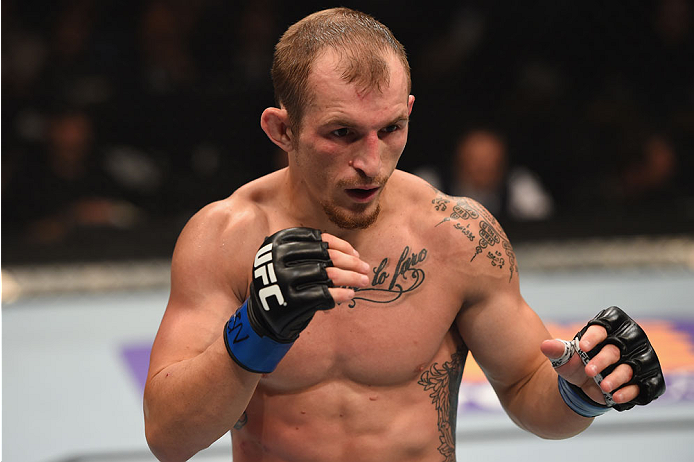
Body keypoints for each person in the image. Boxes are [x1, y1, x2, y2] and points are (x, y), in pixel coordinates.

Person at [144, 8, 665, 462]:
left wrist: (583, 392)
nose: (371, 163)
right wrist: (255, 330)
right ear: (282, 130)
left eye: (390, 129)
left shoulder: (457, 235)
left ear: (409, 112)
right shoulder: (225, 237)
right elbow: (169, 439)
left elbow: (530, 390)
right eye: (341, 133)